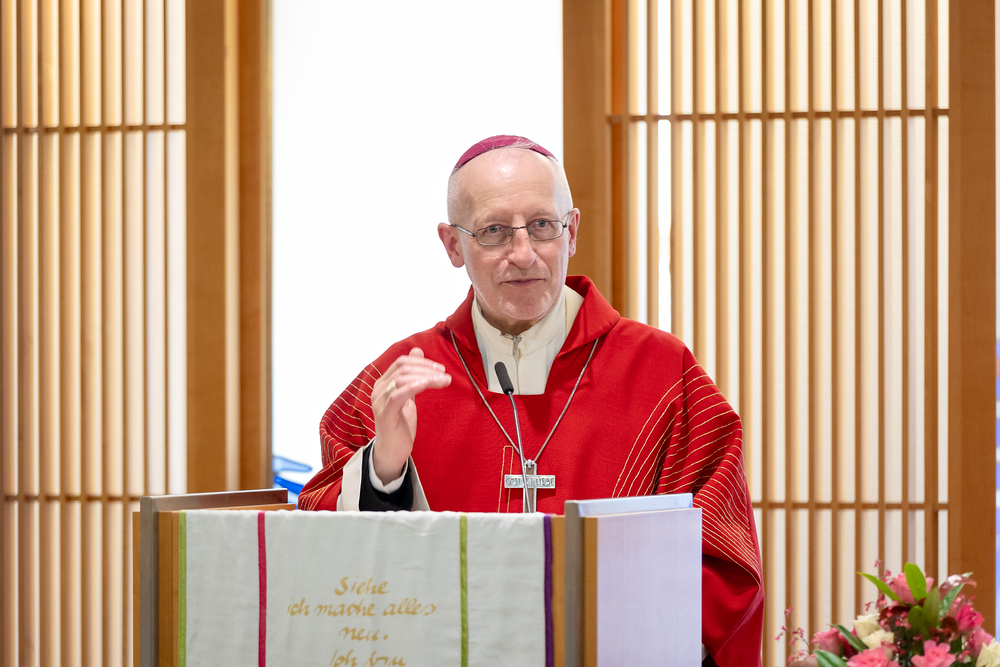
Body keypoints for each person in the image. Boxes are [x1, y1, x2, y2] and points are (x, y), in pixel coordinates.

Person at [298, 135, 764, 666]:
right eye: (494, 231)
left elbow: (722, 559)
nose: (523, 255)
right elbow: (327, 566)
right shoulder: (401, 376)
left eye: (542, 225)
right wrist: (385, 468)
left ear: (572, 231)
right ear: (452, 246)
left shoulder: (662, 372)